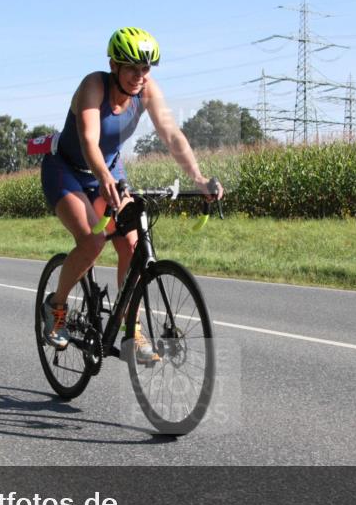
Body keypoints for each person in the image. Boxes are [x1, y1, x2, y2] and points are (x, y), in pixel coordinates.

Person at [40, 27, 223, 363]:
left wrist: (198, 178)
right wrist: (105, 177)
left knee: (132, 245)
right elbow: (89, 142)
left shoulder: (147, 90)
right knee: (93, 242)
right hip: (66, 171)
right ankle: (57, 307)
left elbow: (171, 135)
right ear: (113, 64)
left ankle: (131, 333)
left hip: (110, 171)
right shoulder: (93, 86)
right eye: (132, 68)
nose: (140, 76)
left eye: (146, 69)